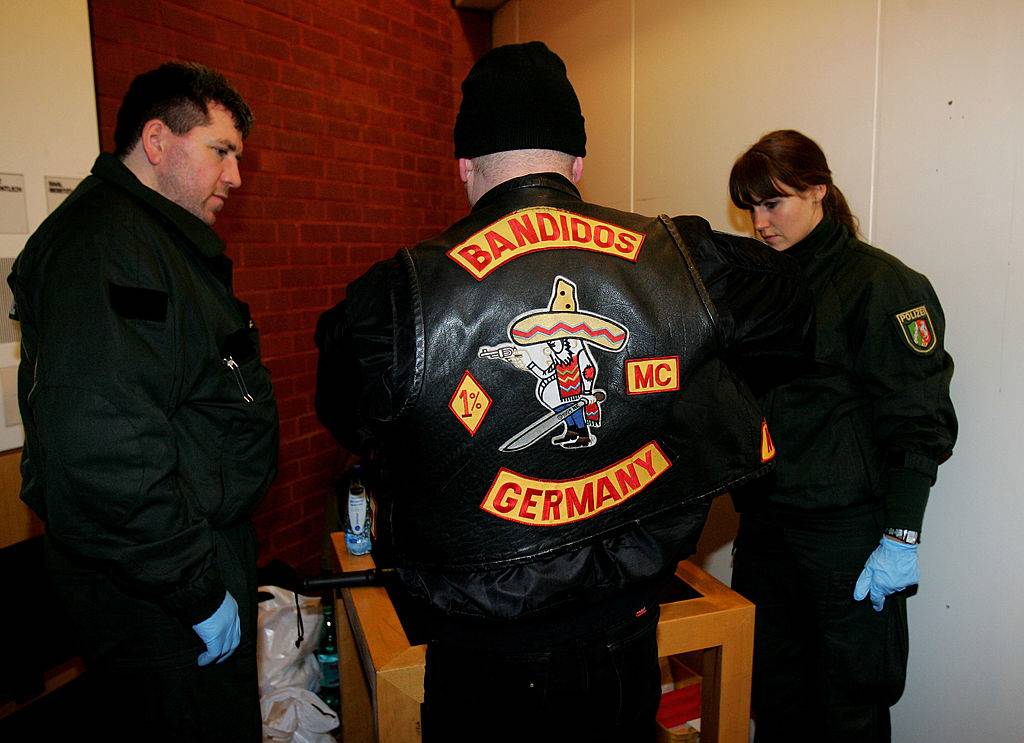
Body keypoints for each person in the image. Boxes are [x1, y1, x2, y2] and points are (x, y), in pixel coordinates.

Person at [315, 43, 813, 742]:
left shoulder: (401, 296)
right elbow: (794, 317)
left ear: (464, 166)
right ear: (577, 163)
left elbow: (347, 418)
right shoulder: (683, 258)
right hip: (625, 646)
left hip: (481, 665)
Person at [8, 62, 279, 742]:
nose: (235, 177)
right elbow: (106, 448)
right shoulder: (107, 248)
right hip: (157, 592)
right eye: (221, 151)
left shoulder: (151, 240)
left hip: (179, 563)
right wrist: (196, 587)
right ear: (157, 141)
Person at [727, 129, 957, 743]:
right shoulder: (763, 288)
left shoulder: (880, 285)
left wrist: (901, 535)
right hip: (767, 531)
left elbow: (918, 421)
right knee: (772, 696)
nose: (760, 223)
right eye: (750, 208)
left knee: (848, 705)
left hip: (843, 538)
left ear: (818, 191)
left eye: (773, 203)